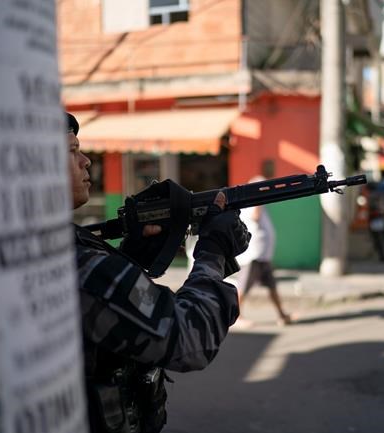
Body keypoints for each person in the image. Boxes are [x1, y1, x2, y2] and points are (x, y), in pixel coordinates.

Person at [67, 112, 250, 433]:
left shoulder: (50, 247)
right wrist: (213, 250)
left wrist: (131, 256)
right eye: (71, 151)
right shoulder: (75, 263)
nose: (86, 161)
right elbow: (190, 339)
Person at [234, 176, 293, 327]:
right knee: (243, 287)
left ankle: (282, 314)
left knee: (272, 286)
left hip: (262, 255)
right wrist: (259, 201)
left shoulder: (256, 202)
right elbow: (255, 216)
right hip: (254, 255)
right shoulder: (254, 202)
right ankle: (236, 317)